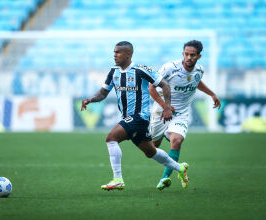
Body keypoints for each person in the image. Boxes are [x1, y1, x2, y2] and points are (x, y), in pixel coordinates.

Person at [81, 41, 189, 191]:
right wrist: (91, 99)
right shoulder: (113, 72)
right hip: (128, 117)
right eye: (114, 52)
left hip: (140, 116)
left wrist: (167, 107)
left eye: (118, 52)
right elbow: (103, 92)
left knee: (111, 138)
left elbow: (164, 84)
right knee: (151, 152)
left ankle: (118, 178)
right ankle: (180, 167)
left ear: (128, 54)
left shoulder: (140, 70)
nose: (115, 55)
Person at [149, 40, 221, 191]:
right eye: (186, 54)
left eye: (192, 55)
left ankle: (165, 178)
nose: (189, 57)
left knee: (176, 142)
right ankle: (179, 166)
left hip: (181, 112)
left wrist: (212, 94)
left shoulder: (199, 70)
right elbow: (152, 87)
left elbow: (196, 82)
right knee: (152, 148)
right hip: (161, 111)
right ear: (183, 54)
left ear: (199, 56)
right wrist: (165, 106)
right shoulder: (169, 68)